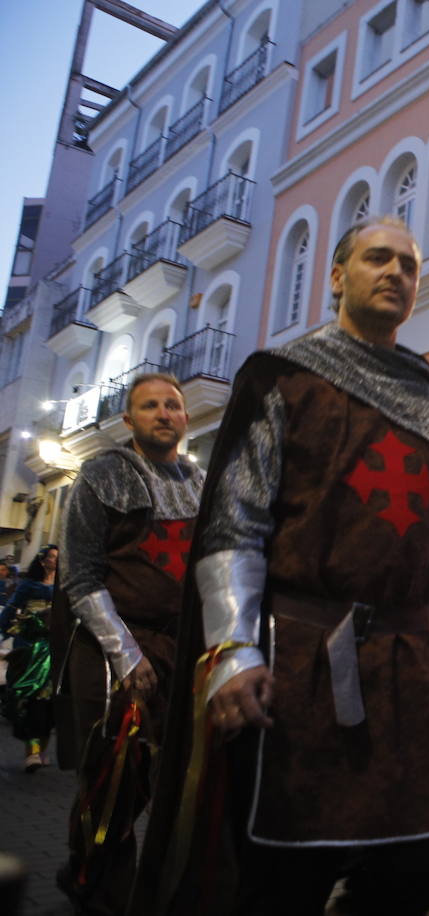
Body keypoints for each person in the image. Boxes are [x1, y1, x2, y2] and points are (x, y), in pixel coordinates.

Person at [133, 217, 429, 916]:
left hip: (409, 660)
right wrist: (232, 648)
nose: (395, 274)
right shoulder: (284, 378)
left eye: (408, 266)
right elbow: (237, 521)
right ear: (336, 276)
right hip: (300, 654)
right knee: (287, 868)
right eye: (377, 259)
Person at [54, 371, 204, 915]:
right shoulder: (101, 476)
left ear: (186, 417)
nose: (164, 413)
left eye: (172, 405)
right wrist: (126, 654)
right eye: (149, 406)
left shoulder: (201, 482)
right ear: (129, 420)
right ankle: (97, 892)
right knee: (113, 786)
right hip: (119, 650)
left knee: (177, 788)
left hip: (183, 650)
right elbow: (81, 577)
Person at [1, 545, 59, 773]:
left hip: (56, 652)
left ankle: (40, 752)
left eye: (58, 558)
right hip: (32, 652)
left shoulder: (65, 588)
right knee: (34, 703)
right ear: (42, 560)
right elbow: (9, 612)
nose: (55, 561)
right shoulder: (28, 586)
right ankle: (32, 753)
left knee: (51, 705)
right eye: (52, 556)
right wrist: (10, 630)